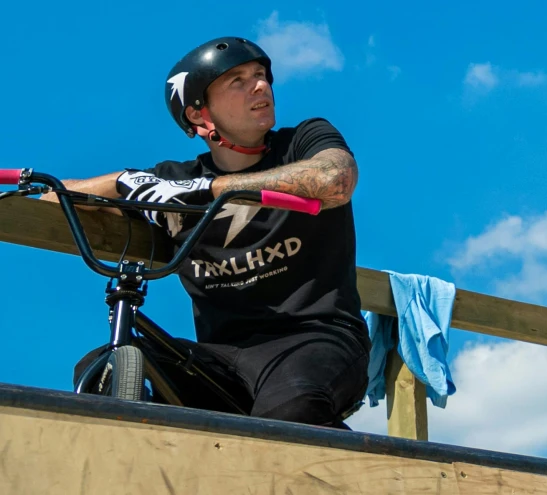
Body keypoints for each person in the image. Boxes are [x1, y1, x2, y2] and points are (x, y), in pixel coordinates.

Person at [61, 36, 366, 426]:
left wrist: (207, 190)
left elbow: (334, 179)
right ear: (197, 115)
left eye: (260, 75)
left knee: (291, 410)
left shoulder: (303, 141)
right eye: (237, 81)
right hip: (222, 356)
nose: (260, 86)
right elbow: (53, 199)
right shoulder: (173, 182)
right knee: (102, 367)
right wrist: (125, 180)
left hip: (316, 337)